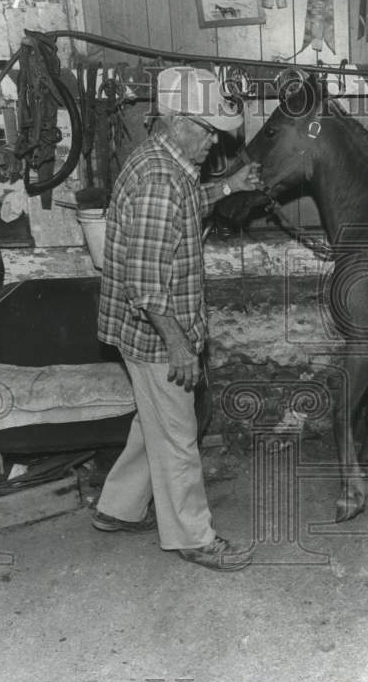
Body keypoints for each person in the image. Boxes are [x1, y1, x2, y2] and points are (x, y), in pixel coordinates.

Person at [93, 66, 263, 571]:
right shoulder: (160, 180)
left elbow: (183, 208)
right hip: (155, 334)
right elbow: (146, 289)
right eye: (209, 130)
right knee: (178, 436)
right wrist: (179, 346)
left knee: (156, 425)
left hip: (140, 329)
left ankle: (117, 509)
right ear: (180, 121)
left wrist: (227, 187)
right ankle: (193, 537)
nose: (215, 141)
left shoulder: (162, 164)